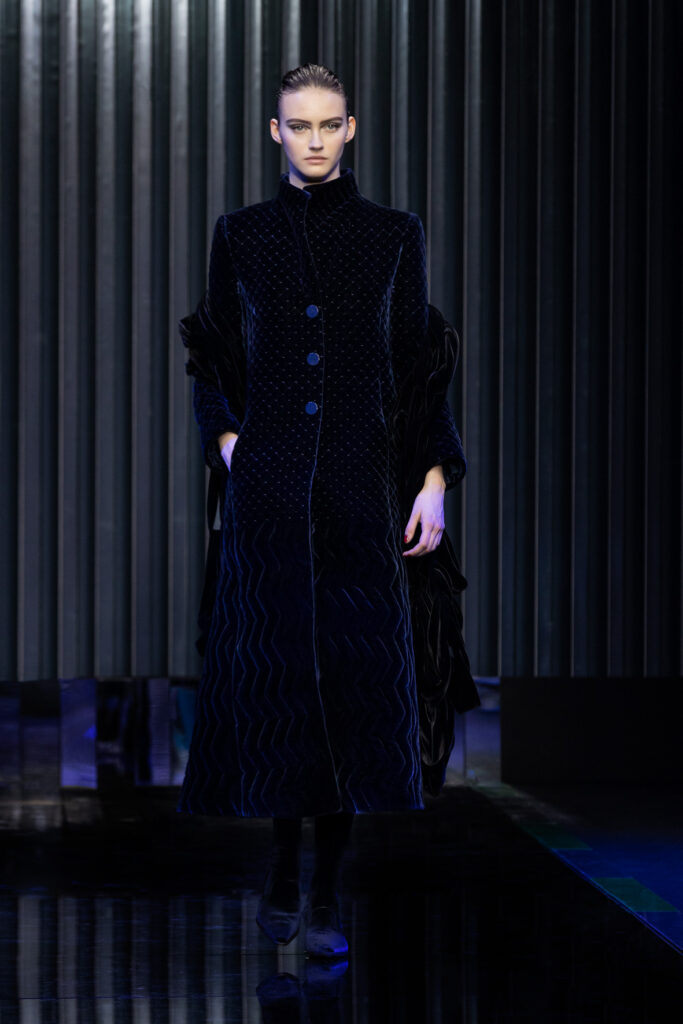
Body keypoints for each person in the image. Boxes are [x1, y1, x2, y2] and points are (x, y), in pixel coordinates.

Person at [176, 63, 468, 960]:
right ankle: (280, 868)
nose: (312, 139)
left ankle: (330, 891)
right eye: (296, 125)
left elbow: (417, 364)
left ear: (349, 130)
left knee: (347, 688)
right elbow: (213, 355)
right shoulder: (241, 235)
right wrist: (231, 444)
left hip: (361, 492)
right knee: (279, 686)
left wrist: (433, 479)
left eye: (326, 125)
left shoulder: (393, 235)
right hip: (267, 498)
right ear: (275, 132)